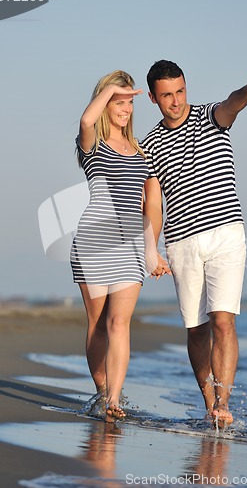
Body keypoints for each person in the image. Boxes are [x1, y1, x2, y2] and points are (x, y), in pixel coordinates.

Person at [142, 60, 247, 428]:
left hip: (226, 234)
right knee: (196, 328)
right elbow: (152, 205)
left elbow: (230, 105)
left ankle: (223, 406)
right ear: (153, 97)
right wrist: (151, 249)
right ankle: (209, 402)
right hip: (181, 242)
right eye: (167, 95)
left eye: (180, 91)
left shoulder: (209, 117)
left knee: (223, 321)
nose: (176, 100)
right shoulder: (148, 144)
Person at [70, 70, 157, 422]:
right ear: (105, 102)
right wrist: (110, 90)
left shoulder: (141, 151)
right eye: (118, 102)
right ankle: (102, 390)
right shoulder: (91, 145)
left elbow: (149, 204)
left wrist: (152, 250)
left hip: (130, 246)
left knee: (119, 323)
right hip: (93, 242)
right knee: (98, 324)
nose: (125, 108)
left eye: (130, 102)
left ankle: (113, 401)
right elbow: (86, 118)